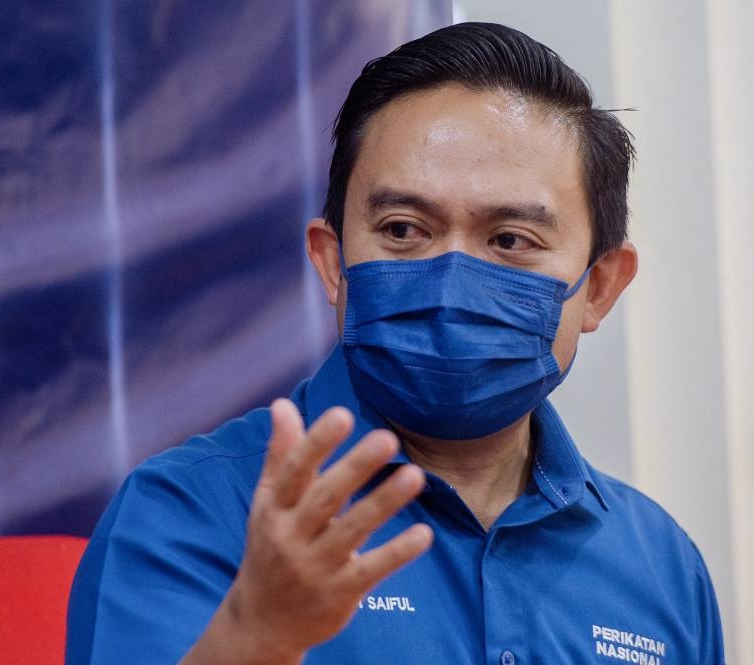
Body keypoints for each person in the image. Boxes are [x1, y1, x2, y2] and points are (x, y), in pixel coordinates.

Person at [65, 22, 725, 665]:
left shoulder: (662, 566)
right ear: (333, 263)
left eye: (510, 241)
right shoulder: (187, 513)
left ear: (601, 287)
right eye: (405, 229)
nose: (450, 282)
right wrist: (255, 633)